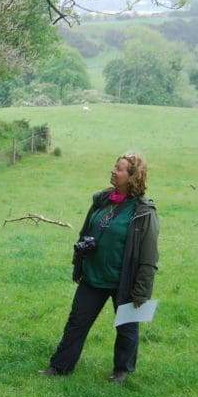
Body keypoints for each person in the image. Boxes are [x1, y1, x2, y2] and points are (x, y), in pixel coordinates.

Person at [41, 152, 160, 382]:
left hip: (124, 280)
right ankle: (60, 366)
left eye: (120, 169)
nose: (113, 171)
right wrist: (79, 265)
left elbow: (149, 257)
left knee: (126, 328)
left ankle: (122, 371)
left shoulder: (144, 212)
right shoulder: (103, 200)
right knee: (76, 322)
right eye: (114, 167)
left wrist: (142, 292)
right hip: (94, 276)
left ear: (133, 177)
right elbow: (85, 232)